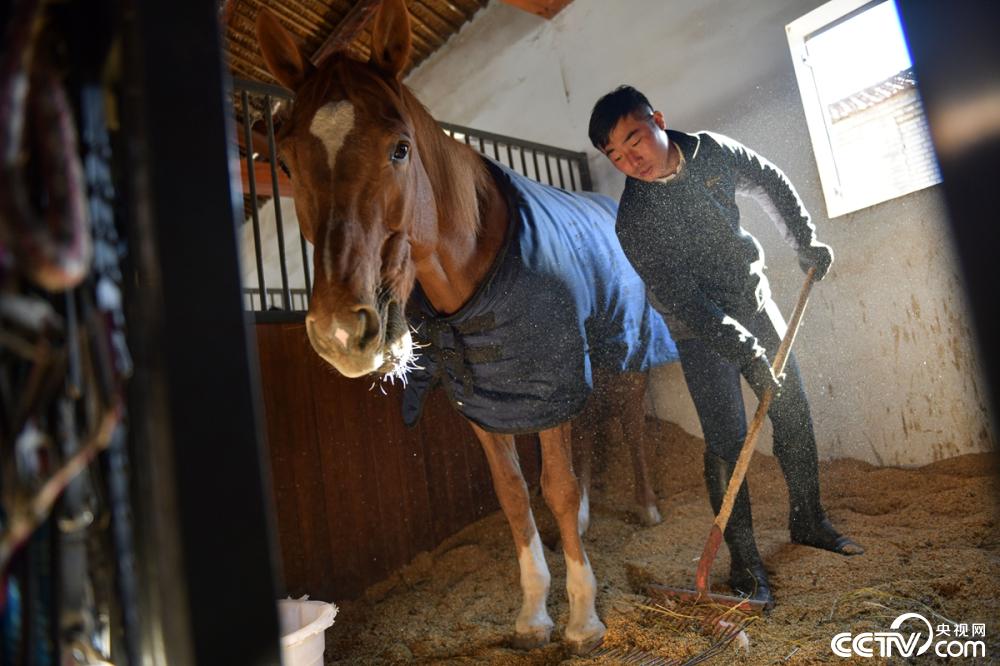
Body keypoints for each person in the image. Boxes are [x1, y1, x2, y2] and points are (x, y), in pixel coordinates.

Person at [588, 85, 863, 609]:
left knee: (792, 410)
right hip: (700, 330)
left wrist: (804, 240)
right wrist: (746, 352)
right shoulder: (635, 220)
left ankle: (809, 521)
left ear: (658, 120)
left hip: (753, 300)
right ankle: (745, 561)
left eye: (634, 140)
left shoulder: (711, 151)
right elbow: (683, 301)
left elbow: (770, 181)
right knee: (727, 441)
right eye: (615, 156)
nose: (630, 160)